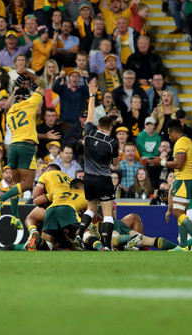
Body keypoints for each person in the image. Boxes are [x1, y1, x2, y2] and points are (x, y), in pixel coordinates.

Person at [0, 68, 47, 230]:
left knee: (17, 184)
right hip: (26, 146)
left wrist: (15, 91)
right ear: (27, 97)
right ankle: (0, 199)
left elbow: (7, 105)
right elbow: (43, 84)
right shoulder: (30, 104)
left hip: (13, 146)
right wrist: (29, 74)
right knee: (28, 184)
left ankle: (15, 216)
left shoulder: (10, 113)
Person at [148, 119, 192, 251]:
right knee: (182, 212)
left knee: (178, 212)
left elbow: (179, 163)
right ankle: (183, 245)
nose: (169, 137)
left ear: (173, 132)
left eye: (169, 134)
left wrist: (161, 162)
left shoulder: (180, 143)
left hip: (184, 180)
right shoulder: (188, 140)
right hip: (189, 179)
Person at [77, 79, 119, 249]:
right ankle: (107, 244)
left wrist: (92, 94)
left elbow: (90, 114)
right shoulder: (112, 143)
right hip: (103, 179)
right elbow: (115, 164)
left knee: (91, 209)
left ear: (98, 125)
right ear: (110, 128)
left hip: (88, 178)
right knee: (108, 214)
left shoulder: (88, 133)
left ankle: (79, 233)